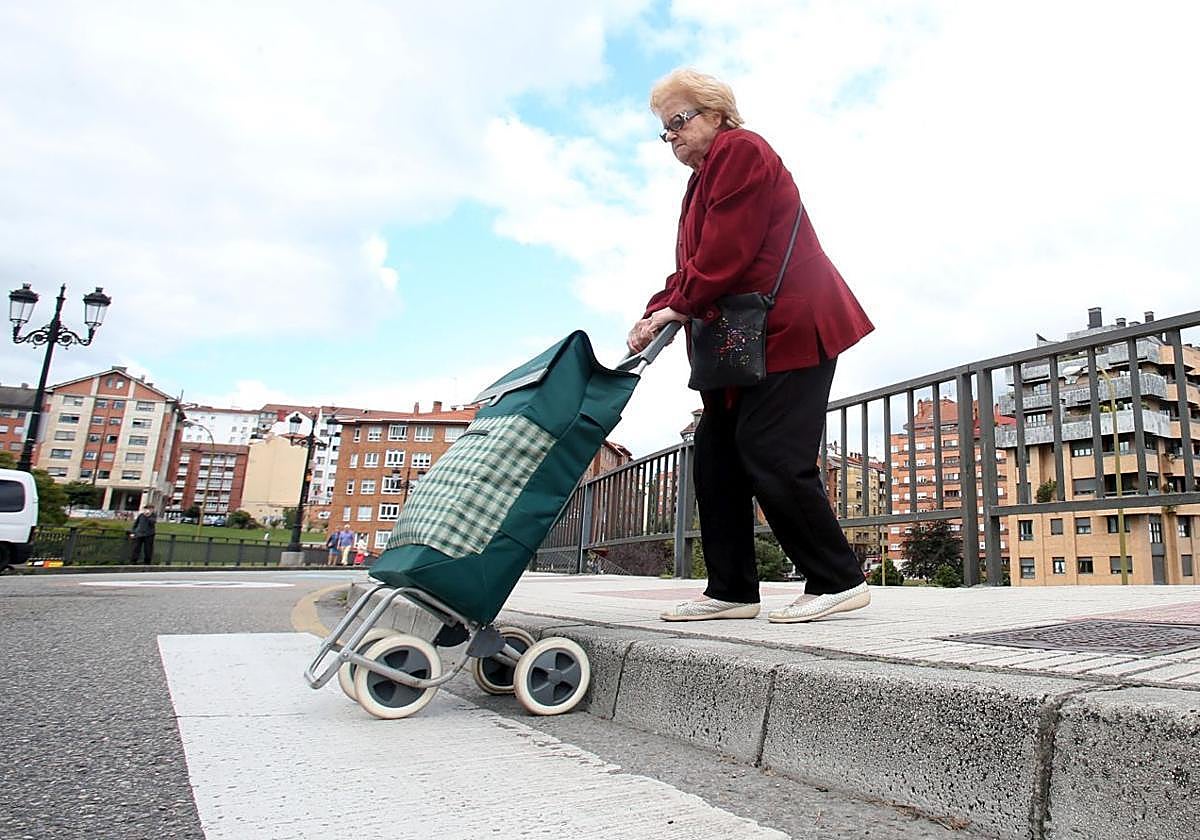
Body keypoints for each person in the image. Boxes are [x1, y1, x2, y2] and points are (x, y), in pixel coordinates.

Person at [628, 69, 875, 625]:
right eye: (663, 130)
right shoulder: (702, 179)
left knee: (771, 451)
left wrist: (677, 304)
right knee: (717, 457)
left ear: (716, 113)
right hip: (743, 342)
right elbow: (696, 265)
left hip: (790, 328)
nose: (671, 136)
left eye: (679, 121)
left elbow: (727, 252)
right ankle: (732, 590)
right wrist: (657, 306)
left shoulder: (741, 150)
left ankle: (838, 578)